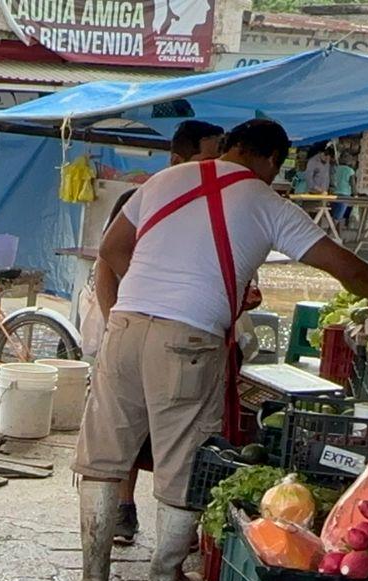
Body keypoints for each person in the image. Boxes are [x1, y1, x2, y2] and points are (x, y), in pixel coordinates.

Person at [74, 119, 368, 581]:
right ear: (273, 159)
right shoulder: (267, 202)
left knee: (103, 459)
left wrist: (154, 289)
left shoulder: (163, 181)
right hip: (188, 340)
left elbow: (113, 250)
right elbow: (345, 266)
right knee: (183, 462)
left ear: (229, 146)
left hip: (125, 328)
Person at [90, 119, 224, 546]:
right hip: (132, 329)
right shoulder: (144, 197)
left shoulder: (217, 203)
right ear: (177, 160)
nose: (215, 168)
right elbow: (106, 262)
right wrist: (130, 312)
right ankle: (123, 513)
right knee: (123, 433)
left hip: (180, 331)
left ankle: (171, 537)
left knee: (170, 436)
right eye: (208, 158)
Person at [331, 155, 356, 224]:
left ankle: (337, 233)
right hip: (345, 195)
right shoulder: (350, 171)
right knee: (337, 217)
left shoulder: (336, 169)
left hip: (334, 193)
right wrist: (355, 194)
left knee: (334, 215)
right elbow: (352, 184)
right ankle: (329, 232)